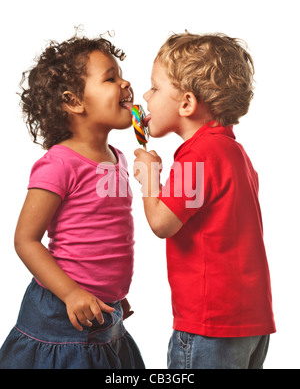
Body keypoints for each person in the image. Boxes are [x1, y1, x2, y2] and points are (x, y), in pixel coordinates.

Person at [0, 33, 145, 369]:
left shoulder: (119, 157)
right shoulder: (60, 163)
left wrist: (112, 289)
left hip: (104, 312)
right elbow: (25, 240)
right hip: (61, 316)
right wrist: (71, 293)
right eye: (111, 78)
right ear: (74, 101)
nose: (126, 84)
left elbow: (106, 233)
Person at [134, 32, 276, 369]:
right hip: (251, 322)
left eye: (154, 88)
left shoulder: (198, 156)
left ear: (186, 103)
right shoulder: (233, 152)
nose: (145, 96)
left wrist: (149, 175)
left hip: (211, 325)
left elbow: (162, 223)